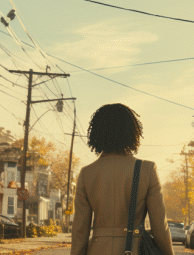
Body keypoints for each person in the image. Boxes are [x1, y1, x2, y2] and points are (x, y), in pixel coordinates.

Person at [70, 104, 175, 255]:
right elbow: (160, 227)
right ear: (132, 132)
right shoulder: (147, 169)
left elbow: (80, 232)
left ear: (97, 133)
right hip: (134, 249)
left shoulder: (87, 173)